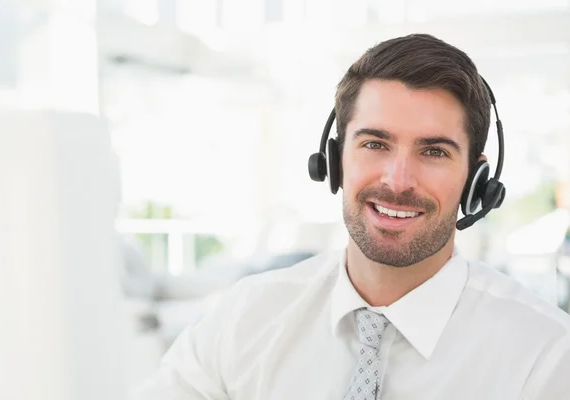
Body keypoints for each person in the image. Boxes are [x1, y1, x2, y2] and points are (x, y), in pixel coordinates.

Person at [135, 34, 570, 399]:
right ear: (334, 160)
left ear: (476, 182)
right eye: (375, 144)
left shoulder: (545, 354)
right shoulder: (245, 319)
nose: (399, 180)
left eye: (434, 151)